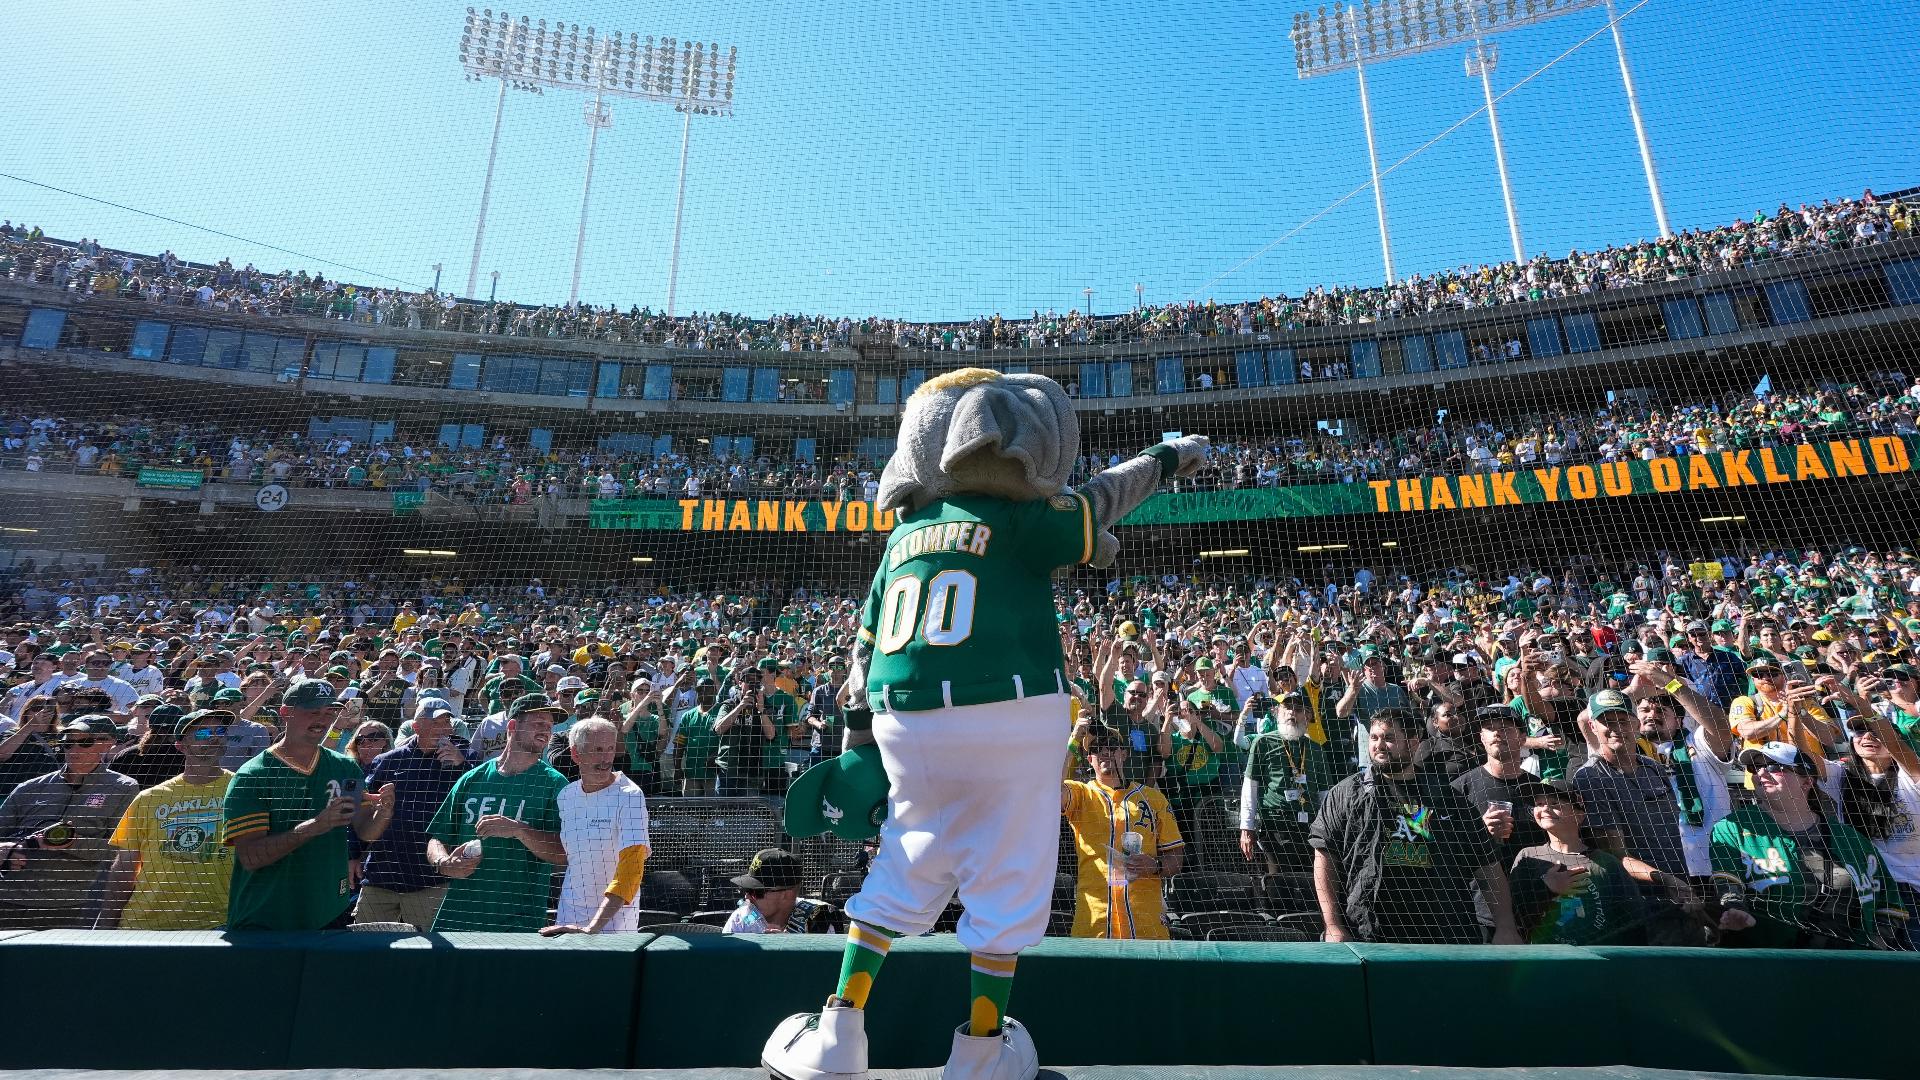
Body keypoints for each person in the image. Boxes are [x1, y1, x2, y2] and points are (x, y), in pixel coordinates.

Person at [1309, 708, 1521, 945]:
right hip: (1369, 935)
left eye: (1389, 738)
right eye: (1374, 737)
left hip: (1442, 935)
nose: (1379, 745)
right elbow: (1325, 858)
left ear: (1413, 742)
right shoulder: (1346, 794)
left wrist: (1506, 926)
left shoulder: (1448, 798)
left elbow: (1488, 868)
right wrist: (1332, 926)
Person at [222, 679, 396, 931]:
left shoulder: (345, 766)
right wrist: (316, 825)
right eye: (313, 711)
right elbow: (250, 857)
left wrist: (384, 812)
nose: (323, 719)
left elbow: (365, 830)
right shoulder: (253, 775)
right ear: (286, 712)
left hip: (329, 911)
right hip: (266, 914)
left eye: (329, 712)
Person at [1710, 741, 1906, 949]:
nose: (1761, 773)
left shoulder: (1850, 839)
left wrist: (1877, 945)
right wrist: (1735, 908)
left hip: (1848, 965)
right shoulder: (1733, 829)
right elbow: (1727, 885)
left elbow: (1889, 902)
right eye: (1755, 767)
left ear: (1807, 782)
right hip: (1769, 964)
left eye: (1774, 767)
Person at [425, 692, 569, 932]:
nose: (546, 730)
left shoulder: (555, 784)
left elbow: (564, 852)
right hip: (458, 917)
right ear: (512, 726)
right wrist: (444, 863)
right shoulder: (472, 778)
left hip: (518, 921)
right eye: (538, 723)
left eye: (549, 725)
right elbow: (438, 836)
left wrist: (519, 830)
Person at [1509, 781, 1701, 945]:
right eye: (1539, 803)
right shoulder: (1528, 857)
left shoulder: (1606, 863)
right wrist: (1547, 887)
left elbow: (1632, 921)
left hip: (1597, 963)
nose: (1544, 809)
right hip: (1543, 961)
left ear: (1579, 813)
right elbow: (1514, 913)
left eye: (1554, 803)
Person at [96, 708, 233, 929]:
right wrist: (105, 925)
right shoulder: (148, 798)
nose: (215, 737)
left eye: (220, 730)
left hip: (217, 926)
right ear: (180, 745)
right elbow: (124, 868)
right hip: (143, 925)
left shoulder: (242, 790)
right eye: (202, 733)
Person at [0, 714, 140, 928]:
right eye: (68, 743)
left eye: (85, 742)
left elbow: (121, 852)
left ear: (108, 743)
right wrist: (2, 848)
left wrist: (74, 842)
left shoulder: (123, 788)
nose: (74, 749)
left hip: (72, 906)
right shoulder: (30, 787)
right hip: (9, 899)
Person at [352, 696, 472, 931]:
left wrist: (462, 767)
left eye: (447, 722)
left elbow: (474, 803)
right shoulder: (388, 761)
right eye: (436, 723)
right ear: (417, 726)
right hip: (382, 873)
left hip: (431, 878)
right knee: (365, 946)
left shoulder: (466, 758)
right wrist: (353, 853)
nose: (444, 729)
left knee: (427, 952)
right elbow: (361, 808)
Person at [1062, 720, 1184, 939]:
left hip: (1146, 922)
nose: (1105, 752)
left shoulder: (1153, 798)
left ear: (1124, 753)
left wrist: (1155, 865)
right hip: (1095, 922)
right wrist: (1074, 740)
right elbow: (1050, 789)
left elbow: (1176, 858)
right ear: (1090, 759)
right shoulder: (1081, 794)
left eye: (1111, 745)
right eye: (1096, 749)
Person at [541, 718, 651, 935]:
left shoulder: (630, 796)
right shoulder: (566, 796)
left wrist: (593, 928)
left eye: (610, 749)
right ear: (575, 754)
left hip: (613, 929)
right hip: (566, 920)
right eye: (597, 750)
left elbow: (632, 869)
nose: (605, 759)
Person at [1836, 706, 1920, 945]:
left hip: (1911, 891)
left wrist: (1856, 699)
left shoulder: (1910, 774)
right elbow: (1803, 762)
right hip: (1865, 889)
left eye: (1876, 732)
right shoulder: (1841, 776)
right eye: (1860, 731)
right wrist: (1794, 713)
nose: (1868, 737)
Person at [1239, 690, 1339, 880]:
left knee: (1310, 883)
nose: (1292, 713)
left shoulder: (1316, 748)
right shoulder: (1263, 742)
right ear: (1277, 712)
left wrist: (1328, 830)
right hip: (1275, 826)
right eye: (1287, 707)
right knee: (1278, 885)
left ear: (1307, 716)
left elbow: (1324, 793)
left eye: (1299, 709)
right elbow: (1249, 787)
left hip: (1309, 829)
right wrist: (1246, 827)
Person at [722, 846, 803, 934]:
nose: (747, 896)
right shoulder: (740, 919)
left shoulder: (814, 919)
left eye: (756, 892)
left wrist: (790, 944)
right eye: (747, 889)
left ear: (787, 895)